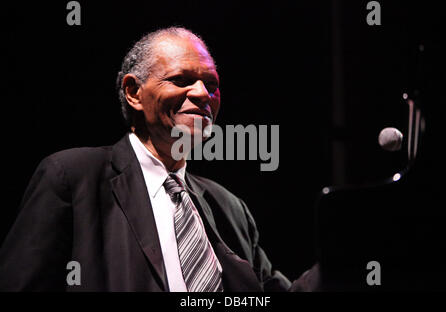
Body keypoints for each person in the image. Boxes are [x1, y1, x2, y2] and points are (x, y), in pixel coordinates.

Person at [0, 27, 316, 291]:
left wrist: (345, 255)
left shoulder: (230, 208)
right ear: (134, 93)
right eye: (181, 79)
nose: (204, 94)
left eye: (211, 84)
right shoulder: (71, 178)